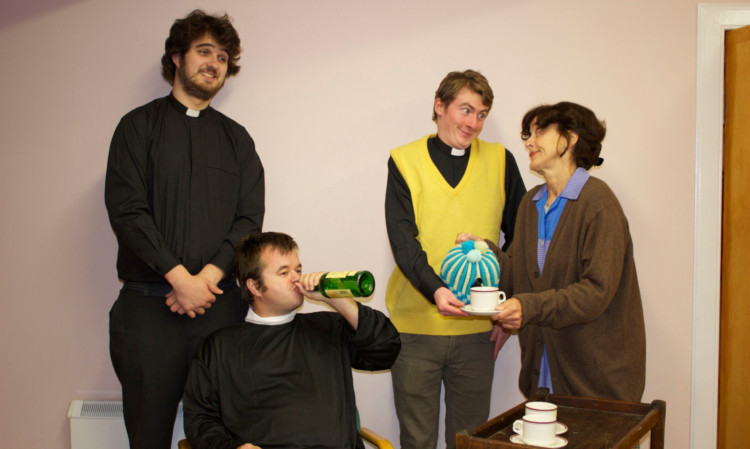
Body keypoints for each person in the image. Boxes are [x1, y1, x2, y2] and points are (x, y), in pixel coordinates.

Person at [104, 10, 264, 449]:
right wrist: (179, 278)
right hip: (148, 312)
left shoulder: (238, 140)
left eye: (223, 56)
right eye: (204, 51)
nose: (214, 63)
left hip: (220, 310)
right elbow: (128, 211)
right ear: (177, 57)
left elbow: (249, 221)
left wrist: (206, 279)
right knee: (148, 435)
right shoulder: (137, 127)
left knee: (225, 434)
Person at [459, 101, 646, 402]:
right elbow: (517, 278)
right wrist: (483, 252)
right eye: (527, 134)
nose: (529, 142)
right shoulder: (531, 203)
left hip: (596, 384)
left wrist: (529, 307)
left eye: (540, 131)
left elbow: (595, 292)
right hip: (543, 381)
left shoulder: (599, 204)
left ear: (571, 138)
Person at [385, 69, 526, 449]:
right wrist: (437, 290)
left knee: (470, 441)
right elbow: (404, 242)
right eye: (466, 110)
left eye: (481, 114)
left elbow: (520, 241)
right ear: (439, 106)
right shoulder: (404, 160)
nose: (473, 123)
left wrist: (506, 309)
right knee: (417, 440)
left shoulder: (501, 160)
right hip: (415, 330)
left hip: (478, 332)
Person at [182, 232, 401, 449]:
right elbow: (199, 420)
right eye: (284, 272)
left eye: (298, 270)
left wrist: (338, 300)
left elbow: (386, 349)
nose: (296, 278)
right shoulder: (220, 347)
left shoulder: (328, 327)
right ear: (255, 287)